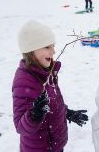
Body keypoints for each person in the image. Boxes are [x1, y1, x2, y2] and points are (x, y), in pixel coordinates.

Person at [12, 20, 89, 152]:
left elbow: (53, 103)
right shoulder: (24, 82)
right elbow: (20, 126)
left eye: (53, 46)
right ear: (31, 50)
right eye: (47, 47)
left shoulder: (47, 72)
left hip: (55, 146)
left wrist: (67, 113)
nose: (53, 51)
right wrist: (34, 116)